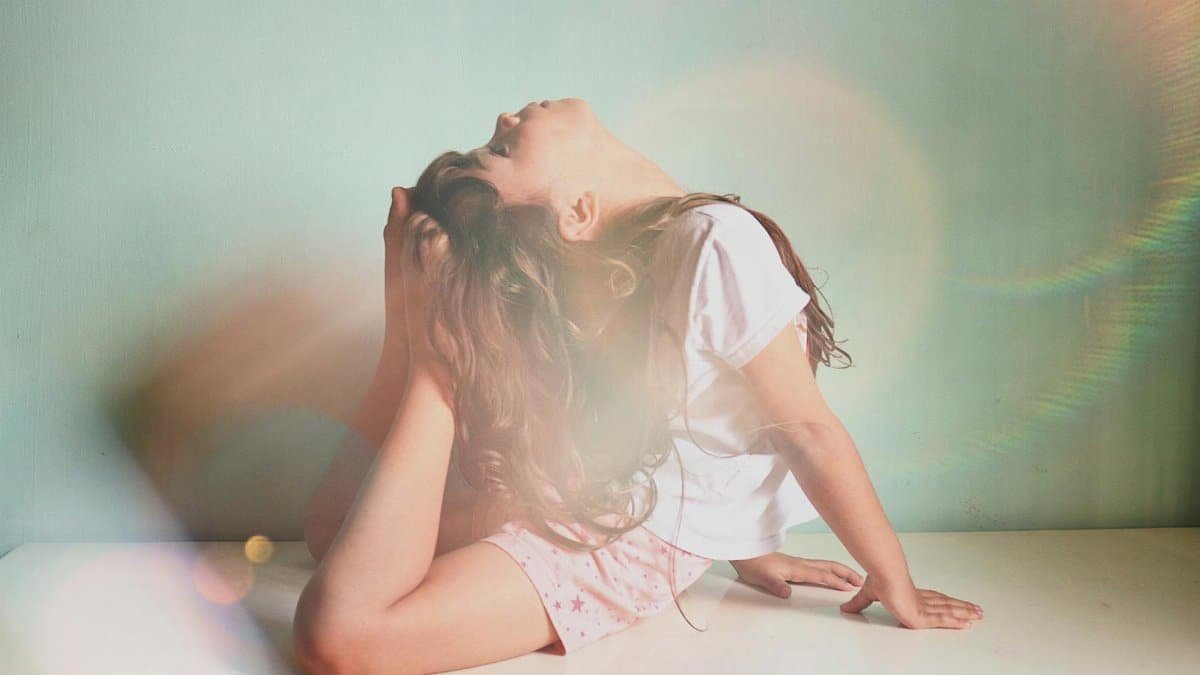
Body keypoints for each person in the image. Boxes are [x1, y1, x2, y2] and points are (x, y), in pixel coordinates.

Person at [293, 98, 983, 674]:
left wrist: (737, 537)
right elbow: (803, 432)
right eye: (500, 149)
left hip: (624, 533)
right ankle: (428, 353)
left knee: (345, 622)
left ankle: (429, 351)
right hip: (616, 524)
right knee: (333, 547)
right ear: (578, 213)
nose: (505, 116)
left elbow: (728, 421)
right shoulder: (710, 242)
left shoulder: (693, 245)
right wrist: (895, 579)